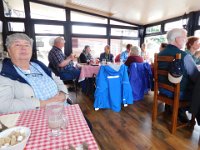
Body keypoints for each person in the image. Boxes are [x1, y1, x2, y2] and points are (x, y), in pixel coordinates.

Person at [0, 33, 69, 114]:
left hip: (64, 108)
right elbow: (4, 106)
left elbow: (57, 79)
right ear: (8, 50)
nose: (23, 48)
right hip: (36, 117)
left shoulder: (38, 65)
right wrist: (46, 103)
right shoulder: (4, 71)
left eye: (27, 45)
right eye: (17, 45)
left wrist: (63, 94)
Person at [158, 28, 199, 122]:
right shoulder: (184, 55)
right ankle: (182, 111)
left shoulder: (161, 53)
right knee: (197, 89)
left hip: (162, 89)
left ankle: (172, 108)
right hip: (178, 92)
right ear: (177, 39)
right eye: (184, 38)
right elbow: (196, 77)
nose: (186, 40)